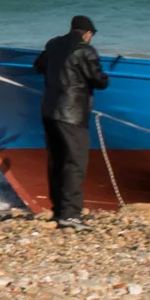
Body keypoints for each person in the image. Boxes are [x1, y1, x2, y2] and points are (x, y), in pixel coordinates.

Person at [32, 15, 110, 231]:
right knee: (75, 164)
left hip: (49, 112)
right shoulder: (85, 50)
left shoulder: (53, 44)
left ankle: (59, 211)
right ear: (88, 33)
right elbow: (99, 81)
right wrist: (105, 76)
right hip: (72, 114)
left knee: (56, 162)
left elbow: (38, 66)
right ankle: (71, 215)